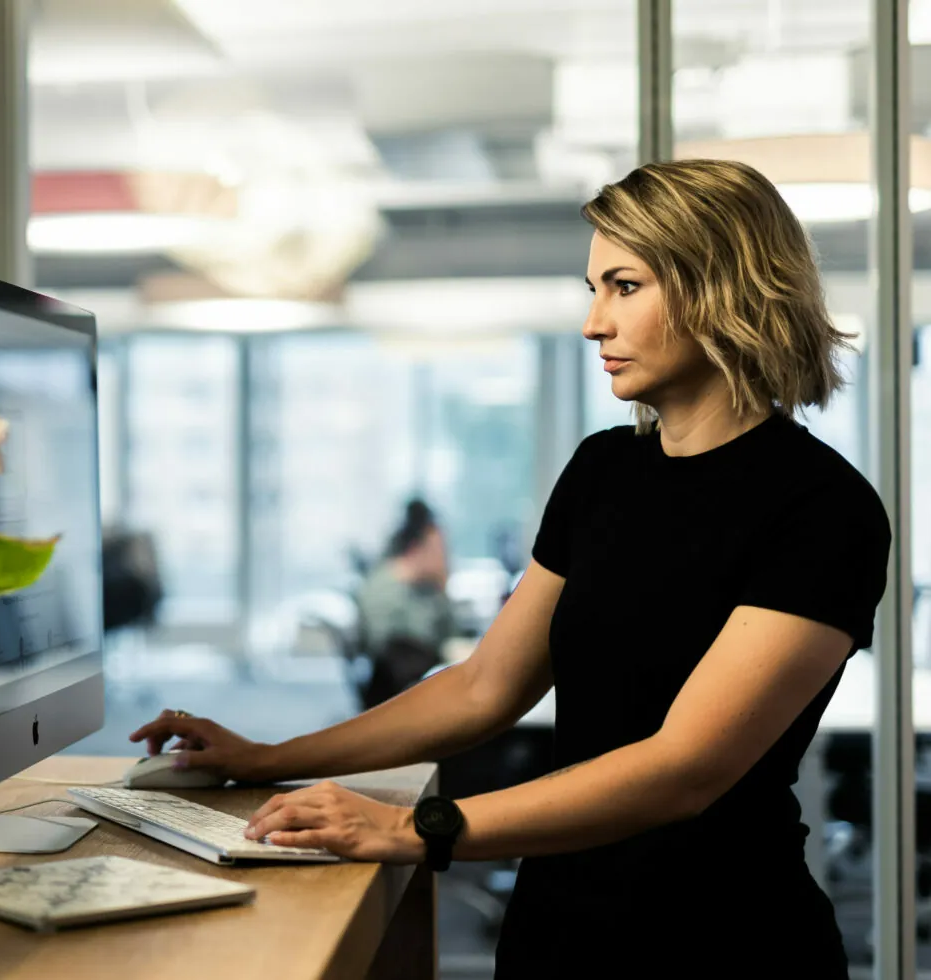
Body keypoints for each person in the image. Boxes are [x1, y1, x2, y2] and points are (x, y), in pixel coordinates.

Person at [130, 159, 890, 979]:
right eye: (593, 288)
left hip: (721, 941)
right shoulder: (604, 470)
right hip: (557, 926)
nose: (594, 323)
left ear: (721, 287)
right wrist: (265, 756)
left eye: (624, 287)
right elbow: (483, 686)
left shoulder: (823, 509)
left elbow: (684, 769)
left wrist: (416, 829)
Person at [352, 498, 457, 707]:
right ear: (416, 549)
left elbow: (449, 633)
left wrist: (443, 589)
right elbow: (394, 652)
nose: (446, 559)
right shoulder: (383, 589)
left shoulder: (423, 589)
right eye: (440, 551)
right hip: (398, 695)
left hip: (417, 687)